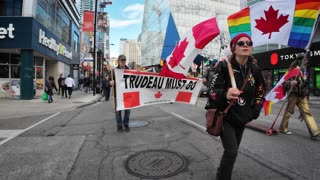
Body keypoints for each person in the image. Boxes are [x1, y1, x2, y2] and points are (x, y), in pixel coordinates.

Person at [206, 33, 266, 180]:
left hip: (243, 119)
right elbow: (212, 92)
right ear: (233, 48)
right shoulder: (224, 67)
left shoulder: (255, 70)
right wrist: (225, 94)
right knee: (231, 151)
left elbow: (261, 92)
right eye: (241, 43)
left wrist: (254, 112)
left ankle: (223, 170)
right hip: (226, 117)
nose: (245, 45)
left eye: (249, 43)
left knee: (233, 151)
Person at [279, 56, 320, 140]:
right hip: (293, 95)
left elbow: (305, 83)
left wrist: (304, 81)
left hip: (302, 95)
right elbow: (284, 83)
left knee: (306, 112)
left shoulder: (304, 70)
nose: (306, 61)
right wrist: (290, 83)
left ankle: (315, 132)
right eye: (305, 60)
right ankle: (283, 128)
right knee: (289, 112)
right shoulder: (292, 70)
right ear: (300, 61)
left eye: (306, 60)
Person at [110, 55, 131, 132]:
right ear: (118, 61)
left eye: (124, 60)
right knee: (118, 111)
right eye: (121, 60)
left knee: (127, 111)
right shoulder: (114, 71)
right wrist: (110, 82)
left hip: (127, 94)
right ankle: (119, 126)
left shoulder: (129, 70)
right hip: (117, 94)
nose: (123, 62)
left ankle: (126, 124)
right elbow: (107, 81)